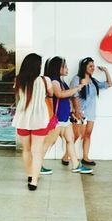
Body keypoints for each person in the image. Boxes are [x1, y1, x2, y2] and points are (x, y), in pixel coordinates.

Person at [12, 54, 90, 191]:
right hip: (39, 119)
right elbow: (50, 95)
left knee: (26, 149)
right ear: (37, 66)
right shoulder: (45, 80)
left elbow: (19, 96)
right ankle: (33, 182)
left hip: (22, 118)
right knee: (36, 151)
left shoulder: (18, 79)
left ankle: (30, 175)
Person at [42, 56, 93, 175]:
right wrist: (78, 87)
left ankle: (76, 165)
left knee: (70, 140)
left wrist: (71, 113)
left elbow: (65, 98)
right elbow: (59, 94)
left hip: (64, 117)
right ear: (57, 67)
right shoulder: (54, 80)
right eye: (64, 66)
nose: (67, 69)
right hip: (58, 118)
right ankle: (37, 165)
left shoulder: (60, 80)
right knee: (49, 143)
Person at [62, 57, 112, 166]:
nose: (93, 68)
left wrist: (106, 71)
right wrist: (77, 111)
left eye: (93, 66)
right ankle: (66, 156)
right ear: (84, 67)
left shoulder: (93, 81)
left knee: (88, 135)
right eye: (90, 66)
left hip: (91, 113)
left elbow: (108, 84)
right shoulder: (77, 79)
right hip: (81, 113)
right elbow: (74, 96)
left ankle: (85, 157)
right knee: (76, 136)